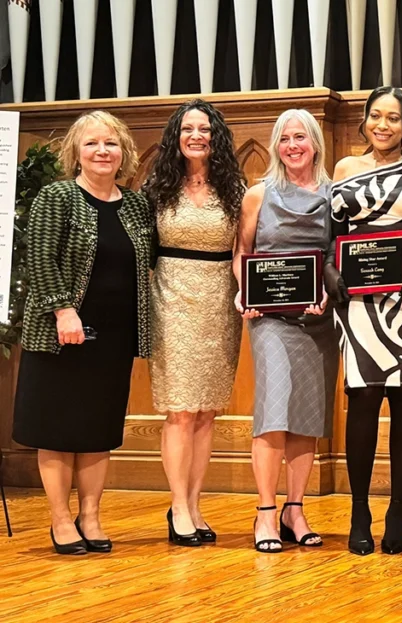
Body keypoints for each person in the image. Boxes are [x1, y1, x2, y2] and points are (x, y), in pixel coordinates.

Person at [13, 111, 151, 555]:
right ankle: (59, 519)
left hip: (113, 337)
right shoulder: (56, 197)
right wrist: (63, 310)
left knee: (97, 430)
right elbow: (40, 258)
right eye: (92, 143)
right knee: (56, 429)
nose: (102, 151)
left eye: (111, 143)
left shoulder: (134, 204)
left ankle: (90, 516)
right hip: (60, 333)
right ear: (76, 152)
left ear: (124, 152)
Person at [329, 86, 402, 556]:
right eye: (375, 116)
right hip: (359, 303)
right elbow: (331, 233)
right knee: (362, 402)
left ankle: (397, 509)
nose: (383, 125)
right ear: (364, 120)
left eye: (393, 118)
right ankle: (360, 510)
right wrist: (332, 272)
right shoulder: (344, 170)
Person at [234, 109, 338, 553]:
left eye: (300, 137)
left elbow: (338, 256)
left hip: (318, 319)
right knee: (274, 410)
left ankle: (295, 509)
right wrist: (244, 292)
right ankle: (264, 512)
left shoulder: (337, 196)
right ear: (276, 146)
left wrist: (330, 295)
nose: (292, 145)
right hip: (270, 320)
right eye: (284, 138)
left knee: (307, 417)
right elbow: (242, 251)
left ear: (315, 142)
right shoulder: (258, 194)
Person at [143, 99, 246, 546]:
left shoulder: (234, 188)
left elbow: (243, 250)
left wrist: (246, 291)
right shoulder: (157, 187)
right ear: (176, 137)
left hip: (220, 301)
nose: (196, 136)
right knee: (181, 410)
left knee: (206, 412)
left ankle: (195, 502)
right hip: (171, 299)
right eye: (188, 129)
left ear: (216, 136)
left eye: (205, 128)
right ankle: (178, 506)